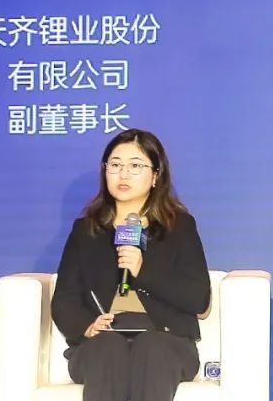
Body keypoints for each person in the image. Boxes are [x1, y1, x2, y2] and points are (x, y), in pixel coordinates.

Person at [51, 129, 210, 401]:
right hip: (103, 339)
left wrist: (143, 271)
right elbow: (64, 299)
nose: (123, 174)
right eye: (115, 165)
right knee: (108, 348)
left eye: (135, 166)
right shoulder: (86, 231)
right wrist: (86, 325)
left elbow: (198, 298)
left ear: (156, 175)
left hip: (165, 338)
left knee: (152, 347)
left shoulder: (179, 227)